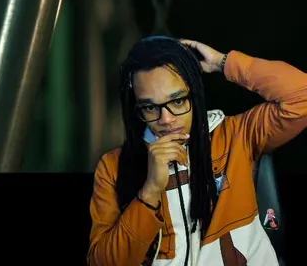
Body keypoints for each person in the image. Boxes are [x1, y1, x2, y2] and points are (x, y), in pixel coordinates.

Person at [87, 35, 307, 265]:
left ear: (195, 95)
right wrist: (150, 191)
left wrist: (223, 63)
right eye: (150, 107)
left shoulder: (236, 136)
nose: (166, 119)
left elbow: (302, 96)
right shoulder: (113, 167)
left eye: (178, 101)